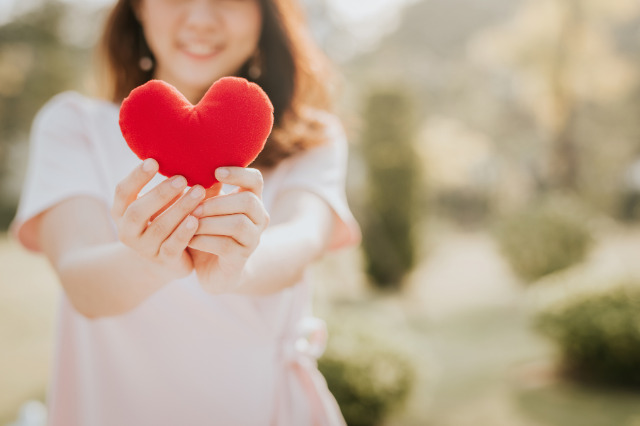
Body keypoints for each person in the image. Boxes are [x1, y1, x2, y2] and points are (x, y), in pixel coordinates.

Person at [10, 0, 361, 424]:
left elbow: (302, 237)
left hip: (264, 408)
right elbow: (80, 279)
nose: (199, 18)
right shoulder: (73, 126)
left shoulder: (312, 137)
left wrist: (240, 264)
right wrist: (153, 261)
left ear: (264, 12)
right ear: (138, 7)